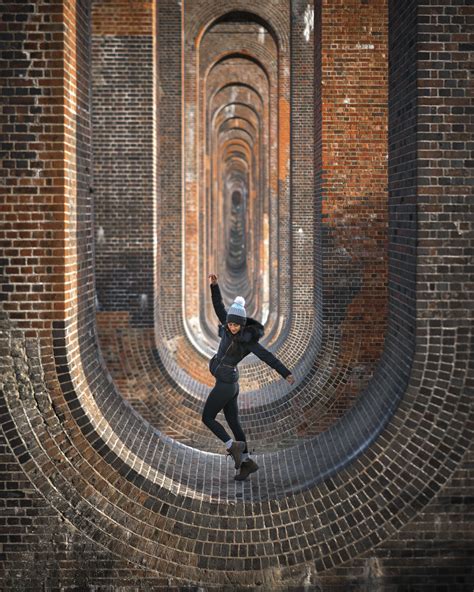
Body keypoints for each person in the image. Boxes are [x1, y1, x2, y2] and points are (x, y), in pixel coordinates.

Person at [202, 274, 295, 481]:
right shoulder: (226, 330)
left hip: (227, 385)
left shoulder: (247, 341)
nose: (232, 327)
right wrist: (214, 285)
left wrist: (285, 373)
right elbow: (218, 307)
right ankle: (247, 463)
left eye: (236, 325)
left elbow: (267, 356)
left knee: (207, 417)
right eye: (230, 324)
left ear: (242, 325)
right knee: (234, 422)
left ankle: (231, 446)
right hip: (229, 382)